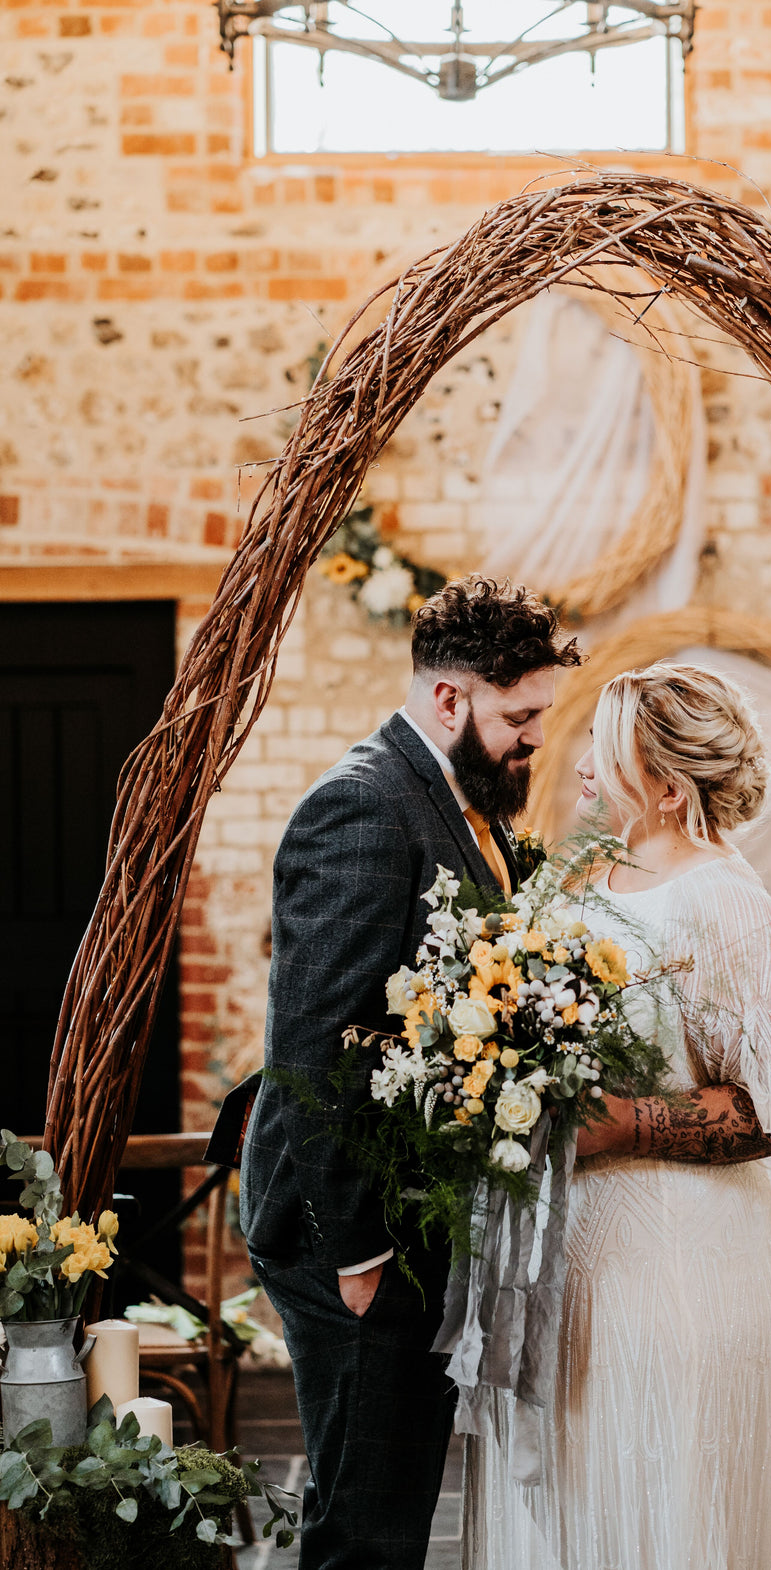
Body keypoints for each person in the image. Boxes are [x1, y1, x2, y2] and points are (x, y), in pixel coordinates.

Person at [463, 661, 771, 1570]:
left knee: (659, 1504)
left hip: (673, 1270)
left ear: (670, 789)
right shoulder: (587, 891)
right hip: (567, 1266)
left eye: (605, 750)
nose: (583, 769)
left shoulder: (731, 909)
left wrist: (618, 1125)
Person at [239, 575, 582, 1570]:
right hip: (345, 1232)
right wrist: (356, 1257)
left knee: (387, 1510)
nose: (533, 738)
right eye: (518, 716)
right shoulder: (361, 807)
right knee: (367, 1530)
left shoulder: (453, 799)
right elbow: (313, 1048)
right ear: (447, 699)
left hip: (409, 1219)